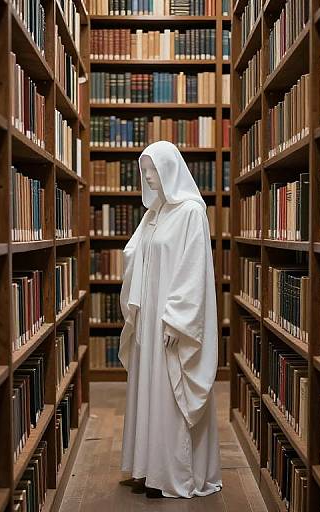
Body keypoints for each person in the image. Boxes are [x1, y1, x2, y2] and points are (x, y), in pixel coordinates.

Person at [118, 140, 222, 499]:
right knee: (150, 390)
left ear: (170, 170)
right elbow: (136, 250)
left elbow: (193, 270)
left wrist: (178, 320)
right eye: (144, 173)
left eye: (152, 172)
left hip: (170, 321)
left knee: (170, 392)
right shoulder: (156, 212)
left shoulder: (191, 212)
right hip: (150, 316)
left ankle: (174, 473)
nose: (148, 179)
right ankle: (150, 467)